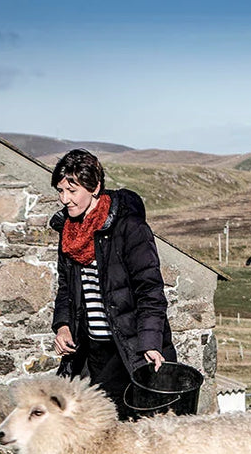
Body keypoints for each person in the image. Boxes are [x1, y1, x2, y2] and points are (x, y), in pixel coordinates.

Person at [50, 149, 176, 418]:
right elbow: (66, 289)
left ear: (95, 187)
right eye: (61, 191)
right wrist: (63, 326)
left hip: (131, 348)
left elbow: (150, 291)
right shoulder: (68, 233)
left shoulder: (130, 228)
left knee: (136, 425)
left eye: (72, 191)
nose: (65, 199)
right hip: (92, 350)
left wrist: (150, 343)